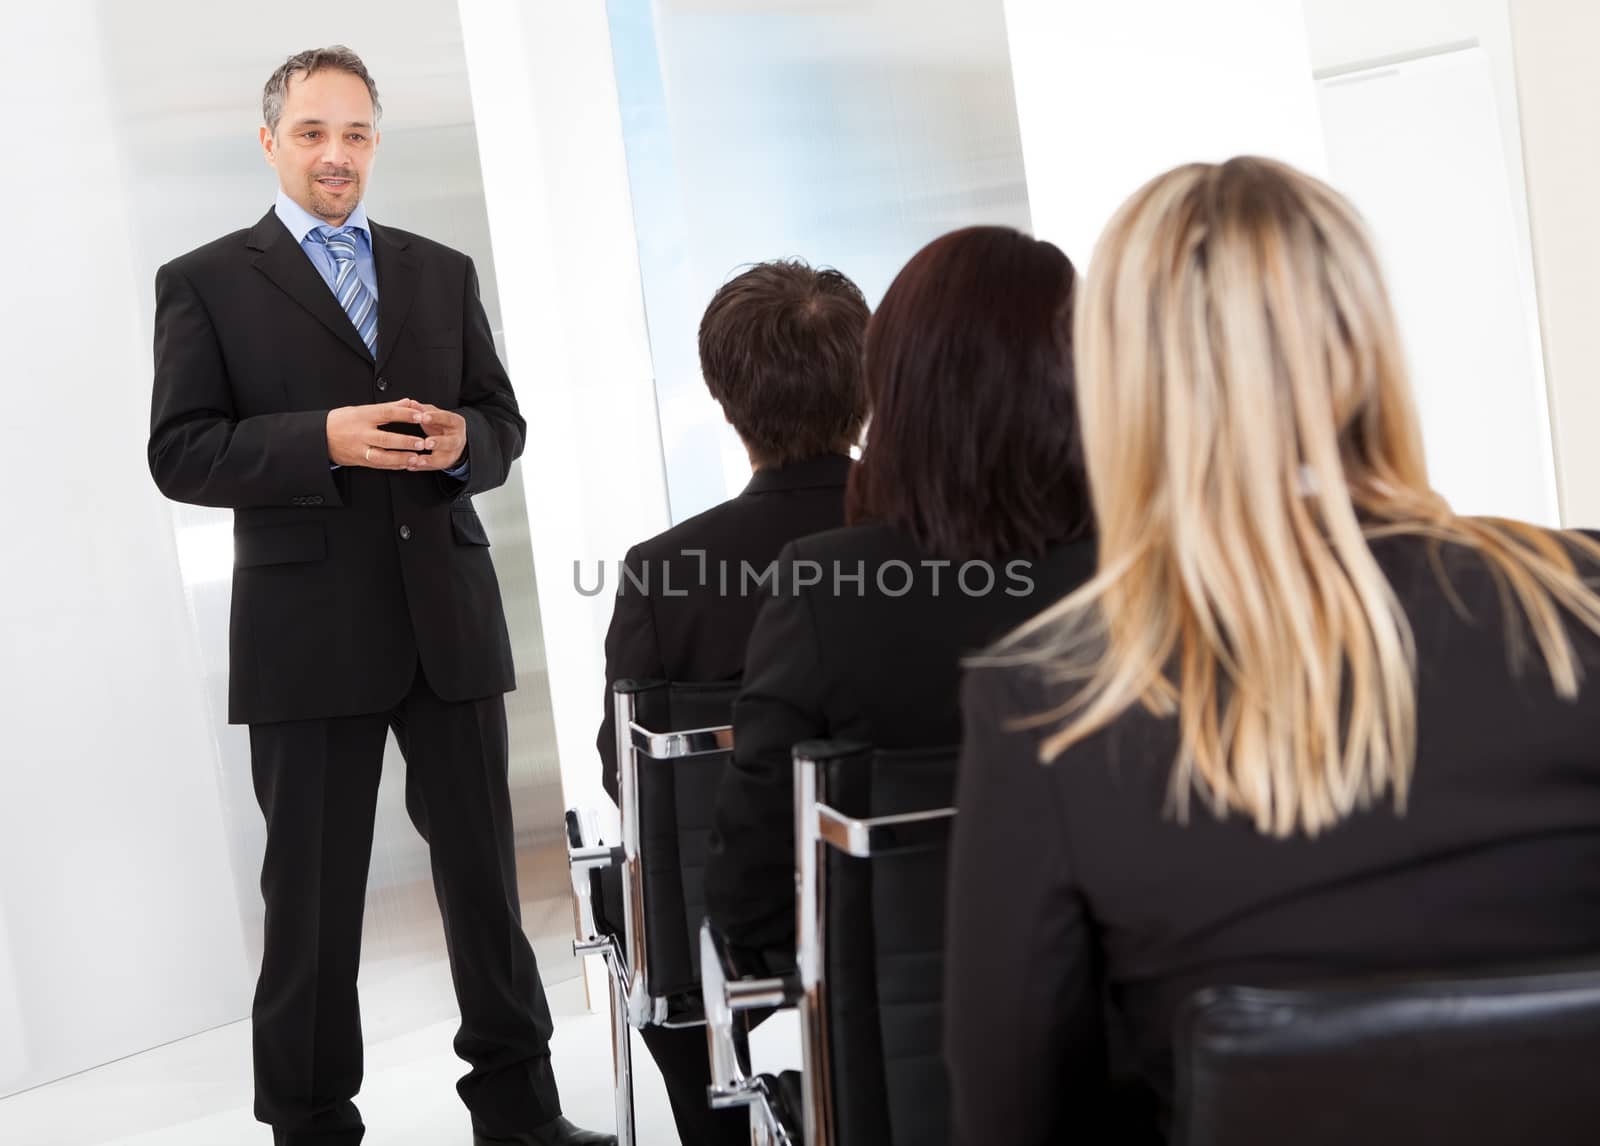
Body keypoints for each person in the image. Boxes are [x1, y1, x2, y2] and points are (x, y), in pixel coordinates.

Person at [944, 157, 1600, 1145]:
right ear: (1365, 342)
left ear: (1118, 384)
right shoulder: (1576, 599)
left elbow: (1013, 1117)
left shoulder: (1051, 705)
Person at [147, 46, 611, 1146]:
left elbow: (504, 421)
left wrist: (465, 446)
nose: (336, 153)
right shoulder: (205, 280)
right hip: (305, 640)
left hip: (446, 619)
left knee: (489, 894)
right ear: (270, 143)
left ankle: (521, 1113)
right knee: (309, 906)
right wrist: (322, 440)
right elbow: (180, 453)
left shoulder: (440, 270)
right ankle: (309, 1126)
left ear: (375, 141)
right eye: (312, 133)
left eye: (354, 132)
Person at [704, 225, 1097, 956]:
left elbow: (745, 897)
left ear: (891, 381)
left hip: (904, 1032)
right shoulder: (1153, 576)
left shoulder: (825, 592)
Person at [596, 259, 870, 1146]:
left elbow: (626, 779)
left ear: (722, 398)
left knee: (638, 886)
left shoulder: (666, 571)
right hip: (917, 916)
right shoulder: (955, 549)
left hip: (722, 937)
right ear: (867, 391)